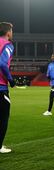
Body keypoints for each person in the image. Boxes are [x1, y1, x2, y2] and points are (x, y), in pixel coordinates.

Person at [0, 22, 15, 154]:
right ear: (8, 32)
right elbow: (2, 63)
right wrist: (11, 80)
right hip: (1, 87)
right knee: (3, 117)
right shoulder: (8, 45)